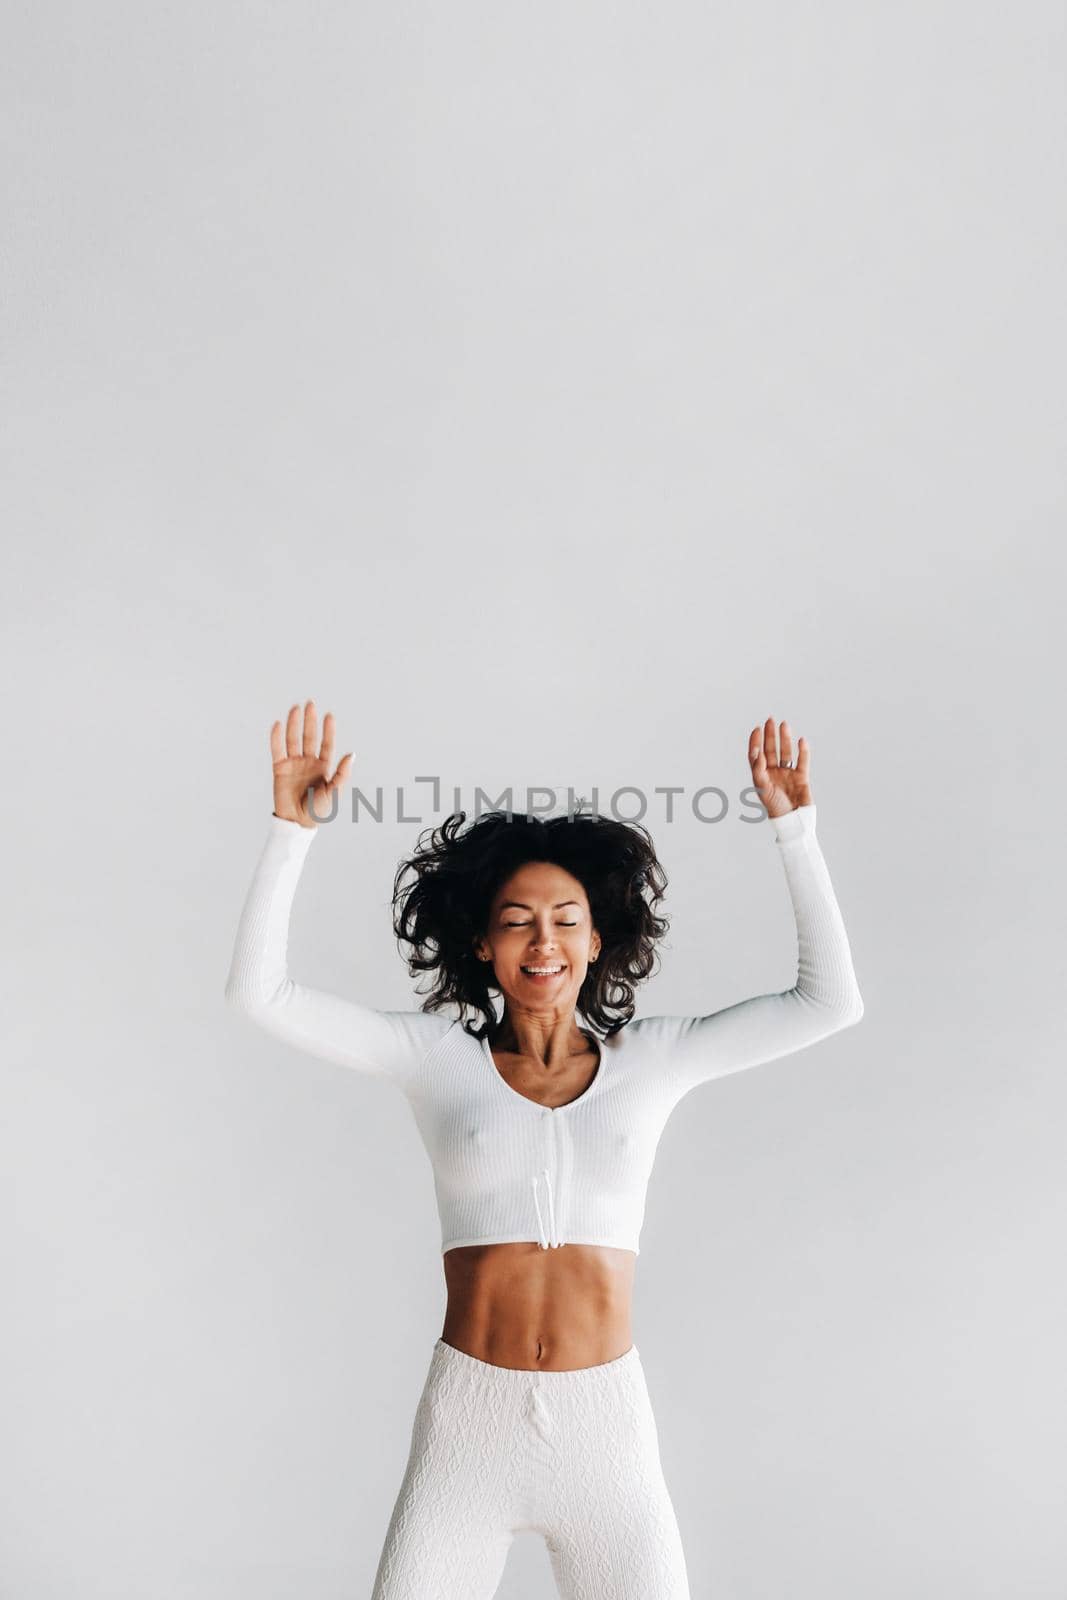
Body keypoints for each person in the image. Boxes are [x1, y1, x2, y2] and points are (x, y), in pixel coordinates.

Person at [224, 701, 864, 1598]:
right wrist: (289, 832)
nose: (543, 941)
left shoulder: (657, 1059)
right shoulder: (434, 1058)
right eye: (517, 920)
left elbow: (827, 1002)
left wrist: (793, 831)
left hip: (606, 1429)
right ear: (483, 944)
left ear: (597, 941)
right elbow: (263, 996)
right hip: (466, 1428)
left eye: (565, 919)